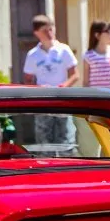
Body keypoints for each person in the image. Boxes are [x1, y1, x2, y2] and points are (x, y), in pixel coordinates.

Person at [22, 14, 78, 153]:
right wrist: (36, 90)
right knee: (44, 140)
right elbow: (28, 79)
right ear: (37, 33)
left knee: (65, 138)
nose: (49, 33)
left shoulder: (63, 50)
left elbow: (75, 74)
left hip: (62, 100)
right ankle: (46, 163)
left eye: (51, 29)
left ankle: (67, 163)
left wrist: (63, 86)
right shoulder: (33, 54)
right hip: (43, 101)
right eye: (45, 30)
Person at [81, 20, 110, 90]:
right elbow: (86, 82)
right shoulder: (88, 56)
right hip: (95, 95)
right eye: (108, 31)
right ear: (97, 35)